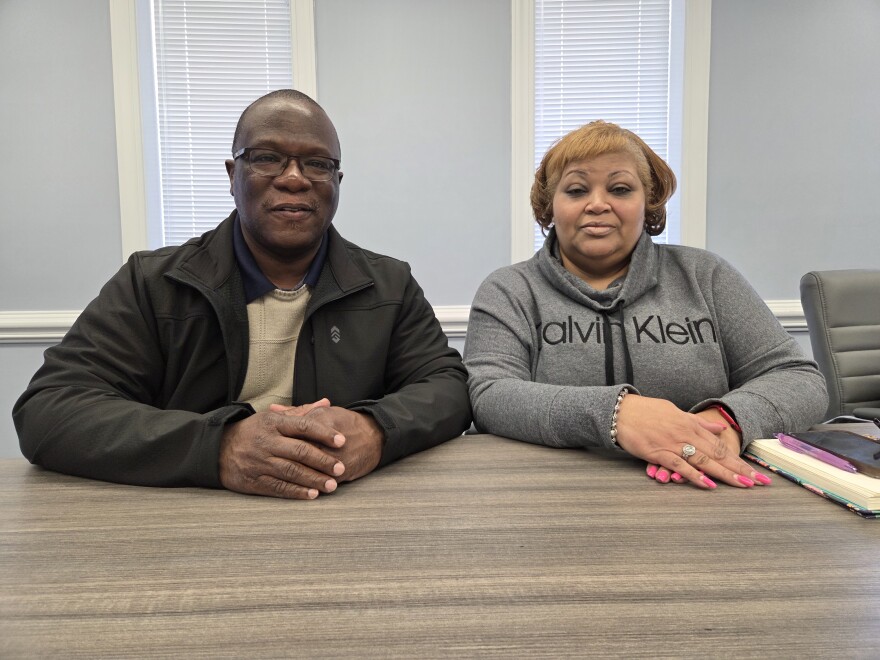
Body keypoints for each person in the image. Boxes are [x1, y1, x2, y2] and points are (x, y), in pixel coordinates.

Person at [14, 89, 471, 499]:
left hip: (338, 517)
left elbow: (448, 387)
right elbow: (49, 410)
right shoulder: (153, 283)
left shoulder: (389, 285)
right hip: (187, 521)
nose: (294, 178)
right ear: (233, 175)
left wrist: (375, 430)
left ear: (337, 183)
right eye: (267, 157)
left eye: (318, 164)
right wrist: (219, 446)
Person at [464, 120, 827, 490]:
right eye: (576, 190)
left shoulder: (705, 275)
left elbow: (798, 378)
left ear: (648, 202)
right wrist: (619, 415)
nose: (598, 204)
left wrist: (724, 423)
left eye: (620, 189)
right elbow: (489, 394)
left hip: (707, 492)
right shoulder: (509, 289)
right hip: (553, 499)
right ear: (550, 206)